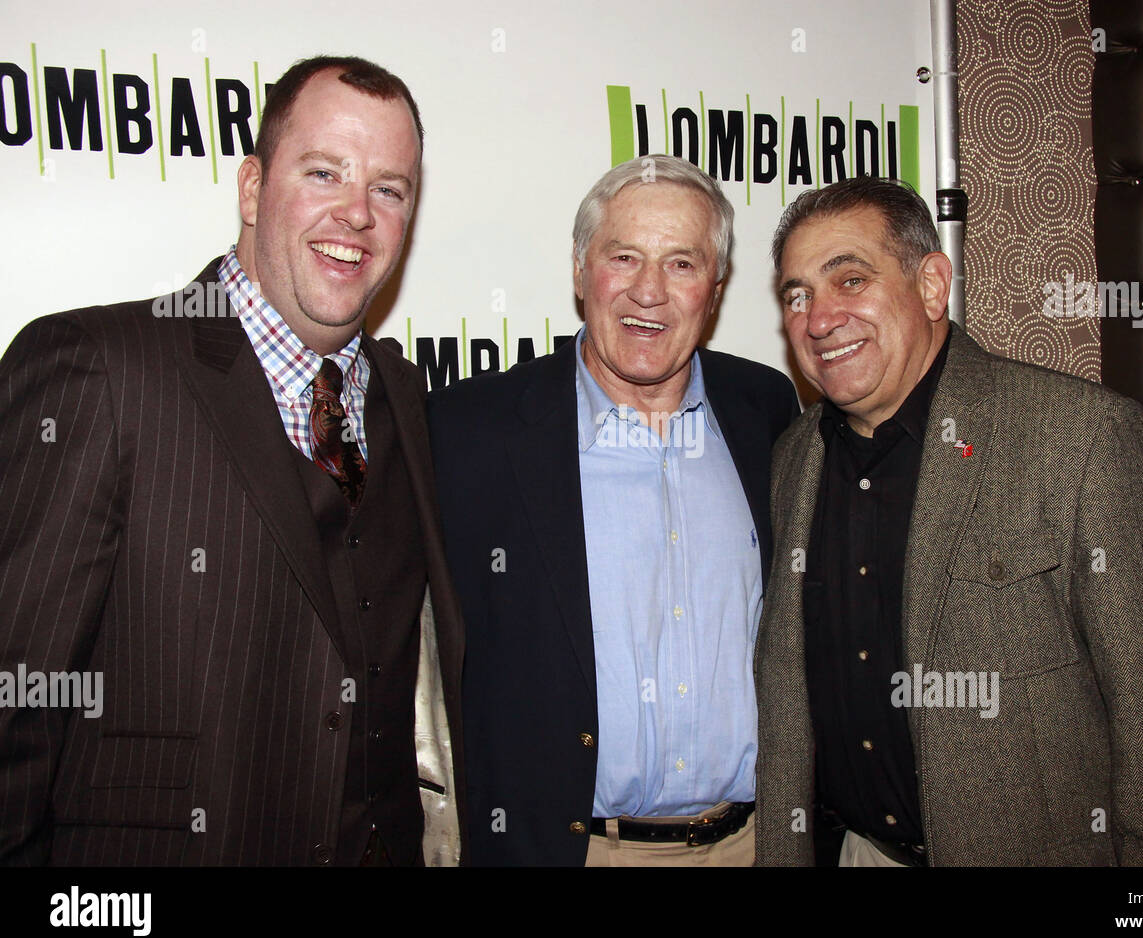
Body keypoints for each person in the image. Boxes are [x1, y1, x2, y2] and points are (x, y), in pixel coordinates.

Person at [0, 56, 464, 866]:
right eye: (325, 172)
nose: (357, 213)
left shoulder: (403, 392)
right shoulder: (98, 369)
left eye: (390, 190)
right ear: (252, 189)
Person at [754, 176, 1143, 866]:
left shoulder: (1086, 439)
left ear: (931, 285)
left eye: (850, 280)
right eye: (796, 295)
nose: (819, 318)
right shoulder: (794, 459)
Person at [428, 154, 800, 866]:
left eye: (682, 264)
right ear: (579, 270)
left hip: (757, 845)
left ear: (715, 290)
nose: (648, 292)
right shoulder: (471, 431)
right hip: (574, 852)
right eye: (623, 256)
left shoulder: (767, 410)